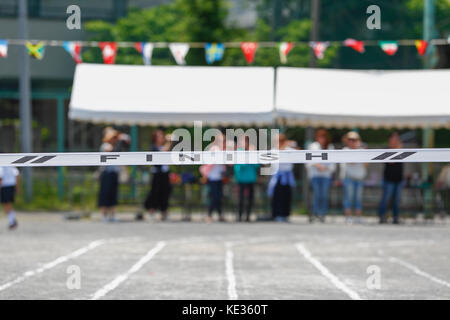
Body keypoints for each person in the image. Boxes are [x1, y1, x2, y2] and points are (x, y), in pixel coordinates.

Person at [306, 129, 336, 223]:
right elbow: (307, 160)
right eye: (320, 136)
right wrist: (317, 165)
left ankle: (322, 214)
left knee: (324, 196)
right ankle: (314, 214)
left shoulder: (330, 147)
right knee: (316, 195)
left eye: (323, 137)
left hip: (326, 175)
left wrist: (325, 168)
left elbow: (333, 163)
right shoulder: (313, 146)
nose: (322, 139)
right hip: (315, 175)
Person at [144, 129, 172, 221]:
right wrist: (169, 142)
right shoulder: (154, 147)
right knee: (154, 193)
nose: (162, 137)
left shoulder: (163, 146)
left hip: (164, 173)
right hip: (157, 174)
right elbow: (162, 153)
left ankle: (164, 212)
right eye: (160, 136)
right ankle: (151, 211)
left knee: (165, 192)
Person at [340, 131, 367, 224]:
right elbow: (350, 162)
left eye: (354, 140)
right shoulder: (345, 150)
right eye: (350, 139)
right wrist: (358, 152)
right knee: (348, 198)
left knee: (358, 199)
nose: (352, 141)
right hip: (349, 178)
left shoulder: (362, 150)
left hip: (359, 178)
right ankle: (348, 217)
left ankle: (358, 217)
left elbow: (366, 164)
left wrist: (364, 153)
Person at [267, 133, 296, 222]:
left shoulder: (289, 149)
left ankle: (285, 215)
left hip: (287, 177)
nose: (278, 143)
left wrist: (288, 145)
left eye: (280, 141)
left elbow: (297, 152)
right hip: (277, 177)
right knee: (277, 197)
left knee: (286, 196)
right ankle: (276, 214)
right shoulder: (273, 150)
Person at [378, 132, 404, 224]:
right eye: (395, 138)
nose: (397, 141)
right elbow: (390, 162)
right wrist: (398, 149)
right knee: (385, 199)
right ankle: (382, 216)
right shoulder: (387, 150)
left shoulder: (402, 150)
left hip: (399, 179)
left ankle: (395, 217)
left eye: (398, 139)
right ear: (390, 140)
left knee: (397, 201)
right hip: (388, 179)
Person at [200, 133, 226, 223]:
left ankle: (219, 214)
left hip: (218, 177)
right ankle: (209, 215)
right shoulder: (214, 149)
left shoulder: (220, 149)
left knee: (218, 197)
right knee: (215, 197)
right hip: (213, 177)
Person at [234, 136, 259, 222]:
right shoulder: (238, 151)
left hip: (251, 178)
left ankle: (248, 216)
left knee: (250, 199)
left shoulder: (252, 150)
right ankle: (239, 216)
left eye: (246, 141)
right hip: (241, 178)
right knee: (241, 199)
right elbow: (239, 165)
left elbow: (256, 165)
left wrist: (252, 154)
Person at [98, 127, 120, 222]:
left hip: (114, 173)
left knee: (113, 194)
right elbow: (109, 150)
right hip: (106, 173)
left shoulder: (115, 146)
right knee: (104, 194)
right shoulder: (105, 145)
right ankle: (104, 215)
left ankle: (112, 215)